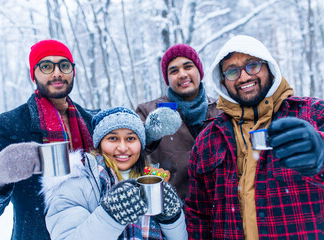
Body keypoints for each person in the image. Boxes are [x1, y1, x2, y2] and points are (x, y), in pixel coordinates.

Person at [184, 35, 324, 239]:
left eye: (253, 65)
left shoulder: (313, 114)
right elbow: (198, 216)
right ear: (223, 80)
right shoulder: (208, 139)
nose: (243, 77)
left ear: (269, 67)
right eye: (232, 71)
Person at [0, 39, 99, 240]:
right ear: (33, 74)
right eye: (46, 66)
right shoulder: (9, 125)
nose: (57, 73)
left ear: (73, 72)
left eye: (64, 65)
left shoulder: (94, 122)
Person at [42, 107, 187, 240]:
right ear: (99, 144)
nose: (123, 148)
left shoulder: (150, 181)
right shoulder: (76, 184)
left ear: (140, 144)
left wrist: (172, 218)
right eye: (113, 138)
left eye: (131, 138)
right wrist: (110, 215)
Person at [136, 44, 221, 200]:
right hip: (172, 212)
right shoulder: (148, 112)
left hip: (220, 209)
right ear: (167, 79)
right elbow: (132, 152)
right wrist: (149, 136)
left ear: (199, 72)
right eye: (174, 71)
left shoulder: (222, 110)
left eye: (188, 67)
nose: (182, 74)